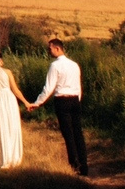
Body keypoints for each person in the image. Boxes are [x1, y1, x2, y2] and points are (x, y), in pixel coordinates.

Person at [27, 35, 88, 176]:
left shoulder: (55, 66)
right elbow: (78, 86)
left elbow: (48, 88)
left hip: (62, 101)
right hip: (75, 100)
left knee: (68, 134)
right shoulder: (74, 65)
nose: (49, 52)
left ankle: (74, 165)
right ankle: (84, 165)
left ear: (57, 48)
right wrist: (78, 99)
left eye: (50, 49)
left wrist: (37, 103)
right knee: (78, 132)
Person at [0, 43, 29, 169]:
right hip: (8, 99)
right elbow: (15, 90)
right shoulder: (7, 72)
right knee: (11, 126)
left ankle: (1, 158)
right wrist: (26, 102)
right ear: (0, 59)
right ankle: (12, 158)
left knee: (0, 127)